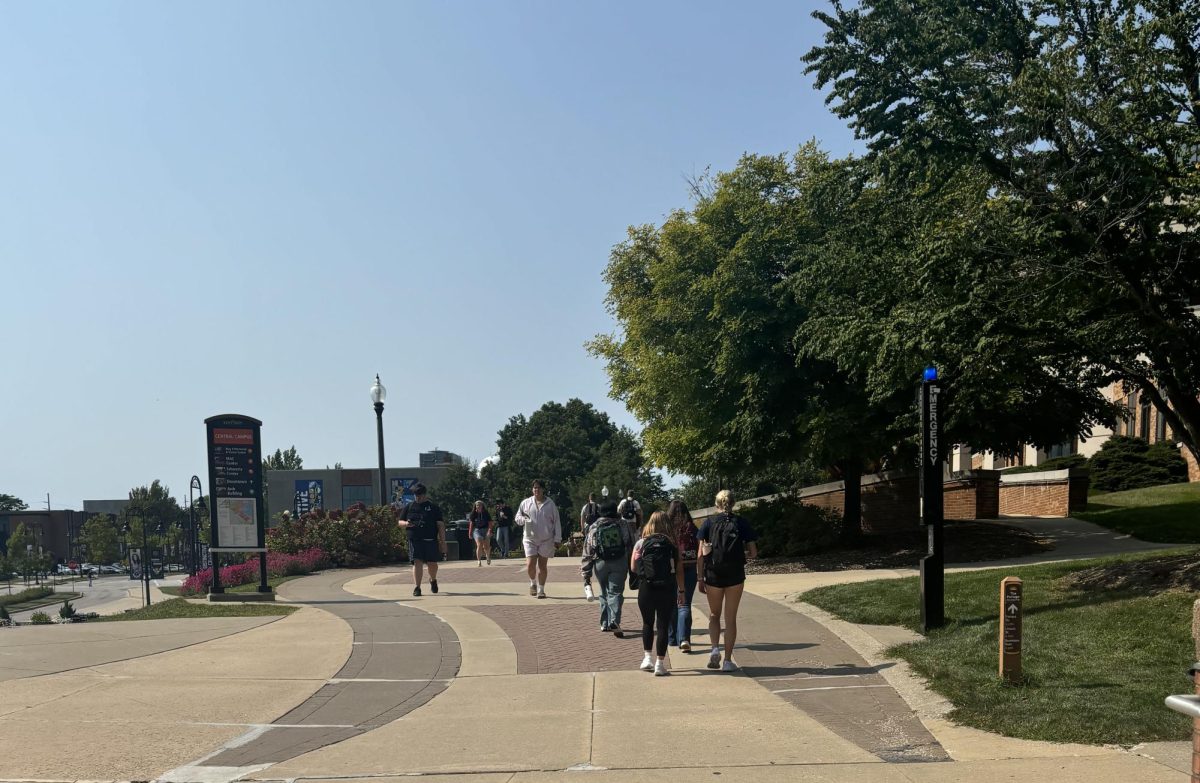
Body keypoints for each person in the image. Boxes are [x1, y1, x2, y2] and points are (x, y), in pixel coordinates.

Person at [697, 490, 758, 672]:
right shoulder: (741, 522)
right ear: (733, 503)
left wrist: (701, 577)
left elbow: (700, 554)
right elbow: (754, 553)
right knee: (730, 618)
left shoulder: (708, 522)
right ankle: (728, 660)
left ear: (716, 503)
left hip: (713, 574)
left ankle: (715, 648)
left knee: (714, 615)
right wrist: (739, 554)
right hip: (735, 575)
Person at [632, 511, 685, 676]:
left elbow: (633, 568)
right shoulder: (671, 544)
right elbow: (679, 570)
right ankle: (660, 664)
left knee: (647, 623)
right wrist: (681, 590)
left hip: (646, 587)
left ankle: (647, 658)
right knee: (663, 625)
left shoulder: (641, 543)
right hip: (667, 587)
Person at [580, 500, 634, 633]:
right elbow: (630, 544)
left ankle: (604, 623)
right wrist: (632, 565)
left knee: (603, 591)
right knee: (615, 592)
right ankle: (614, 621)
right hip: (619, 561)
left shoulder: (594, 526)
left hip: (600, 563)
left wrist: (586, 573)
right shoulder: (623, 524)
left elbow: (588, 550)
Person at [515, 479, 561, 599]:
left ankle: (541, 589)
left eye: (539, 488)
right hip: (529, 538)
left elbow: (557, 522)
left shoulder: (550, 505)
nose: (536, 490)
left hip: (546, 539)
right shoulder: (526, 503)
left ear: (543, 489)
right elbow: (517, 517)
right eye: (534, 488)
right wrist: (523, 520)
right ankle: (532, 583)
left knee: (542, 565)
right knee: (530, 564)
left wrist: (557, 539)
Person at [398, 483, 446, 597]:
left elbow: (440, 525)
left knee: (432, 564)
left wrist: (443, 542)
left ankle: (433, 579)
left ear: (425, 495)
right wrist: (406, 524)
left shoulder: (433, 508)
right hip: (415, 539)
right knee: (417, 562)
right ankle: (417, 587)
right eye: (416, 495)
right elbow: (400, 522)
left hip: (430, 540)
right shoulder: (409, 507)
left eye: (420, 495)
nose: (417, 497)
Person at [665, 498, 699, 653]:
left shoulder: (667, 529)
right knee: (685, 603)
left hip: (671, 570)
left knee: (672, 604)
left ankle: (672, 638)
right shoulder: (692, 528)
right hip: (690, 568)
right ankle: (684, 638)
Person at [467, 500, 493, 566]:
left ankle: (488, 556)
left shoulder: (486, 513)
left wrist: (490, 530)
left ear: (482, 506)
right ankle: (479, 560)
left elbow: (490, 522)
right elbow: (471, 524)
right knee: (479, 544)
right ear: (475, 506)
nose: (478, 506)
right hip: (477, 530)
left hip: (485, 529)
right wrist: (470, 533)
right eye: (477, 505)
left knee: (486, 546)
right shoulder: (473, 514)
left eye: (480, 505)